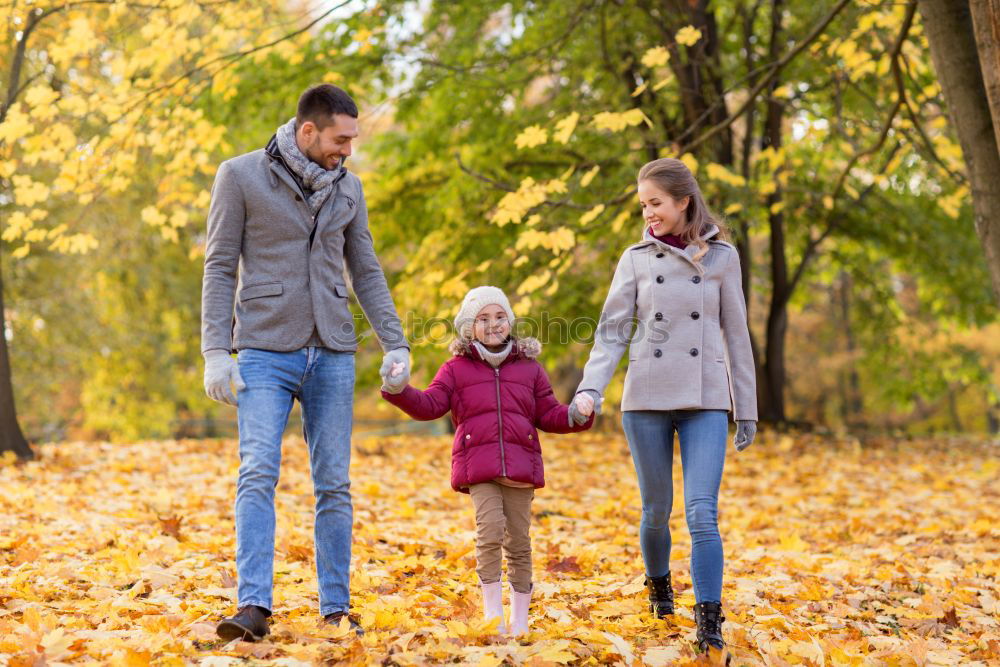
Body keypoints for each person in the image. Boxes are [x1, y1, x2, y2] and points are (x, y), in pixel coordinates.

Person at [200, 83, 410, 642]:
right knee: (257, 472)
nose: (348, 151)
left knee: (333, 484)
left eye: (354, 140)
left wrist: (396, 342)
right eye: (341, 139)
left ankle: (336, 608)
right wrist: (216, 352)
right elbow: (220, 266)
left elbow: (364, 268)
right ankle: (253, 608)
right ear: (308, 130)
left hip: (334, 351)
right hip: (265, 349)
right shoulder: (239, 176)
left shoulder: (350, 188)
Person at [570, 158, 757, 657]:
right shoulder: (635, 258)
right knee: (656, 510)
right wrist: (591, 389)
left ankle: (710, 621)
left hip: (705, 398)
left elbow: (736, 336)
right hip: (647, 398)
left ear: (683, 202)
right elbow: (612, 332)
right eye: (643, 205)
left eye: (655, 203)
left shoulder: (723, 258)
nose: (648, 213)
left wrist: (748, 407)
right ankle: (659, 590)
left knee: (702, 512)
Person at [381, 286, 594, 636]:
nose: (493, 324)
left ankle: (520, 619)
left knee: (520, 541)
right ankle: (493, 612)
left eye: (499, 317)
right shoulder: (455, 370)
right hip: (478, 466)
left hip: (521, 466)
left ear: (509, 322)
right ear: (469, 327)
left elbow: (549, 413)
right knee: (491, 530)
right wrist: (398, 390)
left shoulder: (530, 369)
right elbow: (429, 405)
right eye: (483, 319)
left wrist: (577, 414)